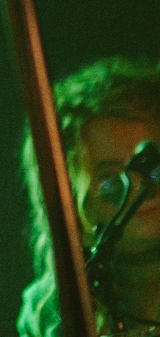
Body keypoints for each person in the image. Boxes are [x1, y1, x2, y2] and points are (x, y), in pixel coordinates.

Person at [18, 56, 160, 336]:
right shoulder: (49, 308)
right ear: (69, 203)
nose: (142, 187)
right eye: (110, 183)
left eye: (153, 165)